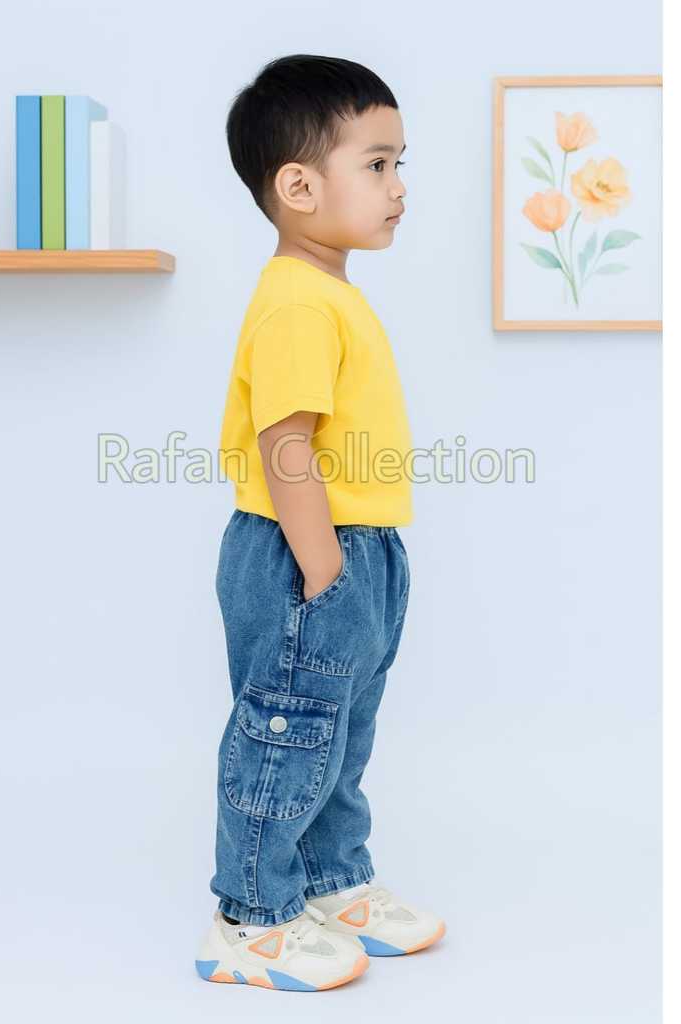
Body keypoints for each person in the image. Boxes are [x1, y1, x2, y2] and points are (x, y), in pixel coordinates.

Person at [195, 54, 446, 993]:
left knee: (340, 732)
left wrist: (357, 567)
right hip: (306, 552)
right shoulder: (298, 302)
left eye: (399, 163)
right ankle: (250, 919)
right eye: (377, 164)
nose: (399, 187)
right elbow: (285, 444)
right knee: (288, 730)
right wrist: (324, 569)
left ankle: (331, 882)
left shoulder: (331, 293)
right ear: (298, 187)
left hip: (358, 550)